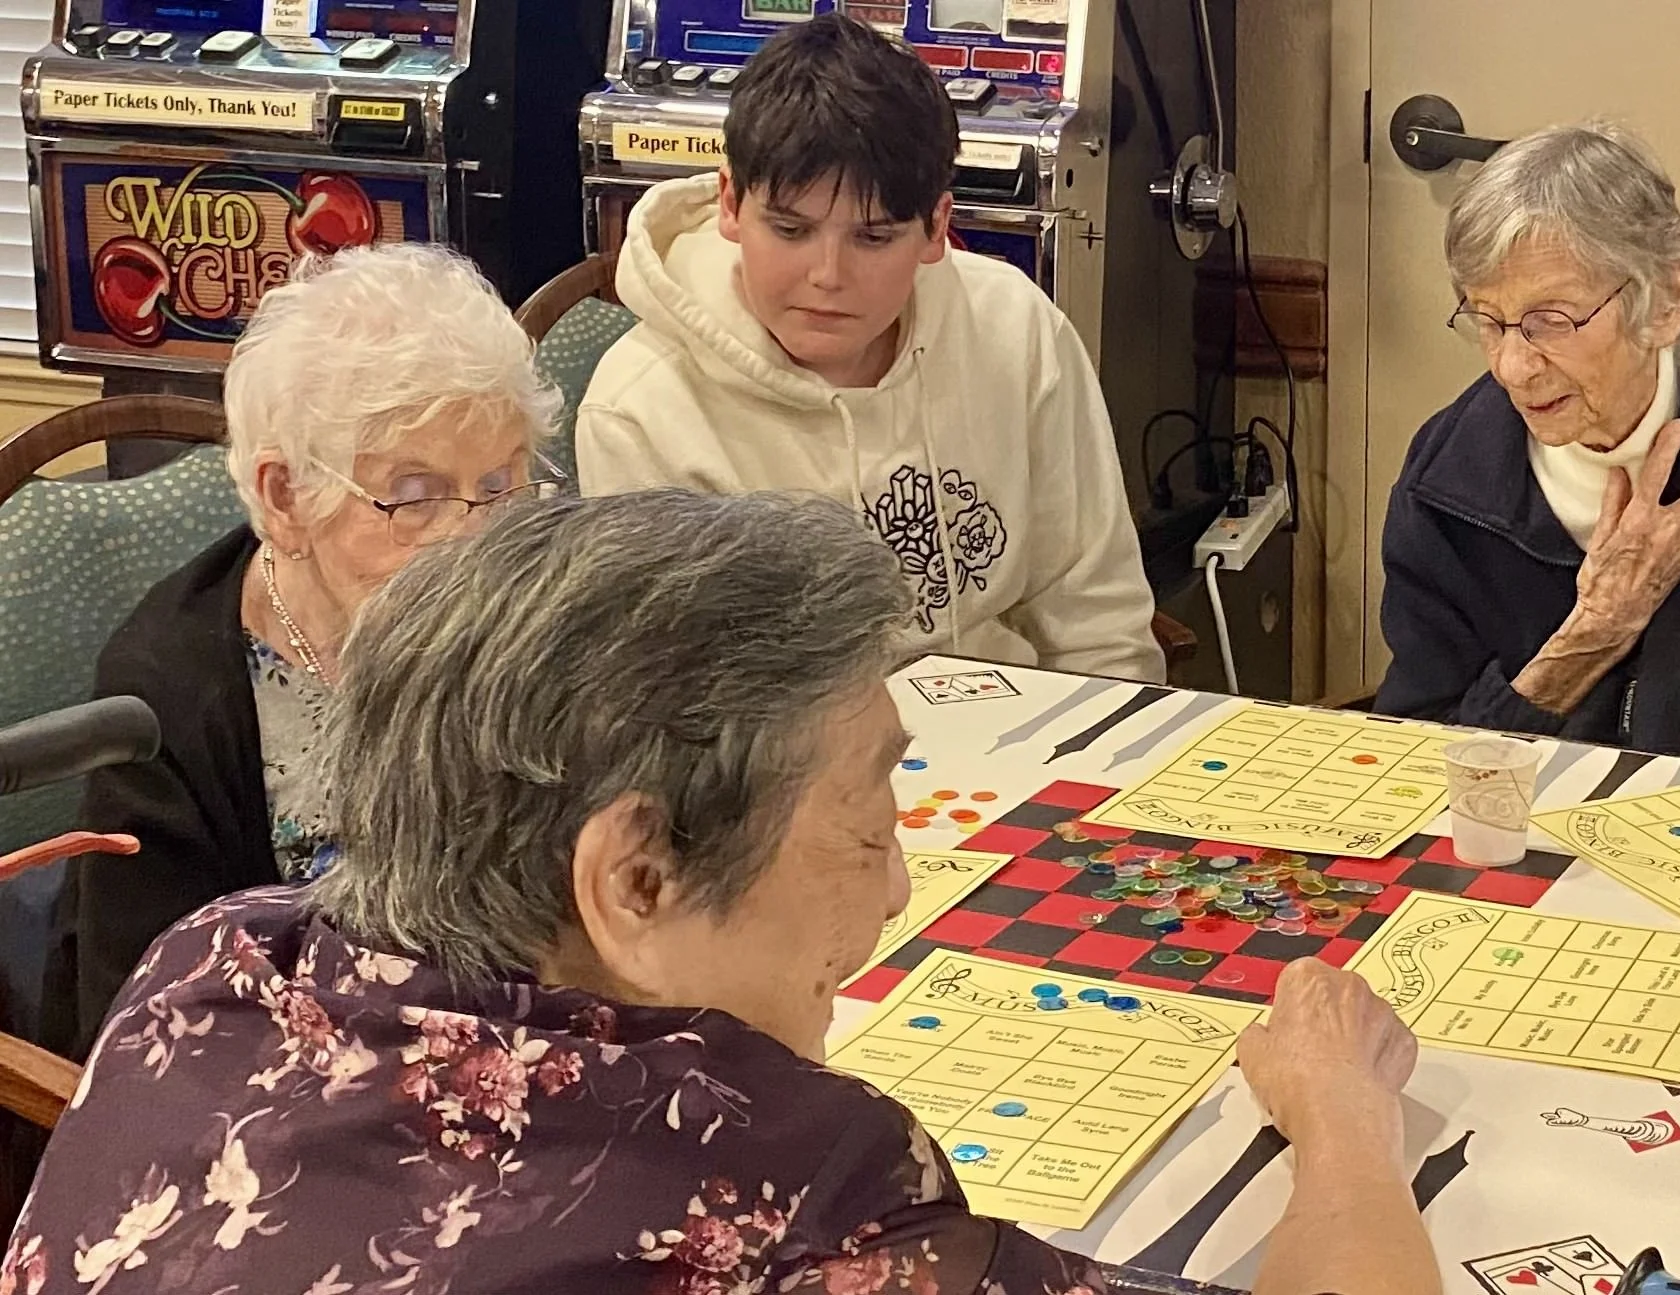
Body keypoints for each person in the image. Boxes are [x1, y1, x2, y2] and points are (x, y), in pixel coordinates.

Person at [10, 491, 1439, 1295]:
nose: (896, 883)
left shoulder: (212, 964)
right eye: (863, 817)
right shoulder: (790, 1204)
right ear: (632, 876)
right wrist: (1344, 1120)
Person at [49, 243, 563, 1058]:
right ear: (286, 497)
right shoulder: (169, 699)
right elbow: (149, 1033)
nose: (473, 542)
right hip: (274, 1095)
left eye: (498, 487)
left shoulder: (525, 608)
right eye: (417, 497)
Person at [575, 14, 1163, 684]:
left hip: (1023, 735)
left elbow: (1099, 623)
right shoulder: (639, 407)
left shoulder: (1017, 327)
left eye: (873, 237)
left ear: (936, 227)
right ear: (731, 205)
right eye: (791, 229)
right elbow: (682, 705)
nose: (827, 275)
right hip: (788, 772)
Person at [1377, 123, 1680, 756]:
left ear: (1667, 299)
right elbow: (1425, 759)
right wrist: (1595, 632)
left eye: (1551, 321)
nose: (1512, 367)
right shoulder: (1447, 488)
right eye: (1488, 320)